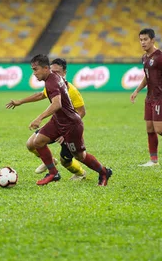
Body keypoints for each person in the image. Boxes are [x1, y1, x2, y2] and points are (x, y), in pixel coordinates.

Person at [7, 54, 112, 186]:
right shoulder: (52, 78)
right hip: (58, 121)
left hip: (71, 125)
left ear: (45, 68)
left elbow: (57, 104)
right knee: (37, 142)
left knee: (79, 156)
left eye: (35, 69)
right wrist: (20, 102)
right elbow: (42, 95)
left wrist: (39, 118)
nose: (33, 73)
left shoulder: (52, 81)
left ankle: (104, 172)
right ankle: (53, 173)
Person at [130, 28, 162, 167]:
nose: (143, 42)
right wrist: (137, 91)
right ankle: (153, 160)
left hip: (160, 97)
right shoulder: (144, 58)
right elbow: (147, 77)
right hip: (150, 97)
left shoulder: (161, 57)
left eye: (145, 39)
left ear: (152, 40)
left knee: (159, 129)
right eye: (141, 40)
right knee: (150, 129)